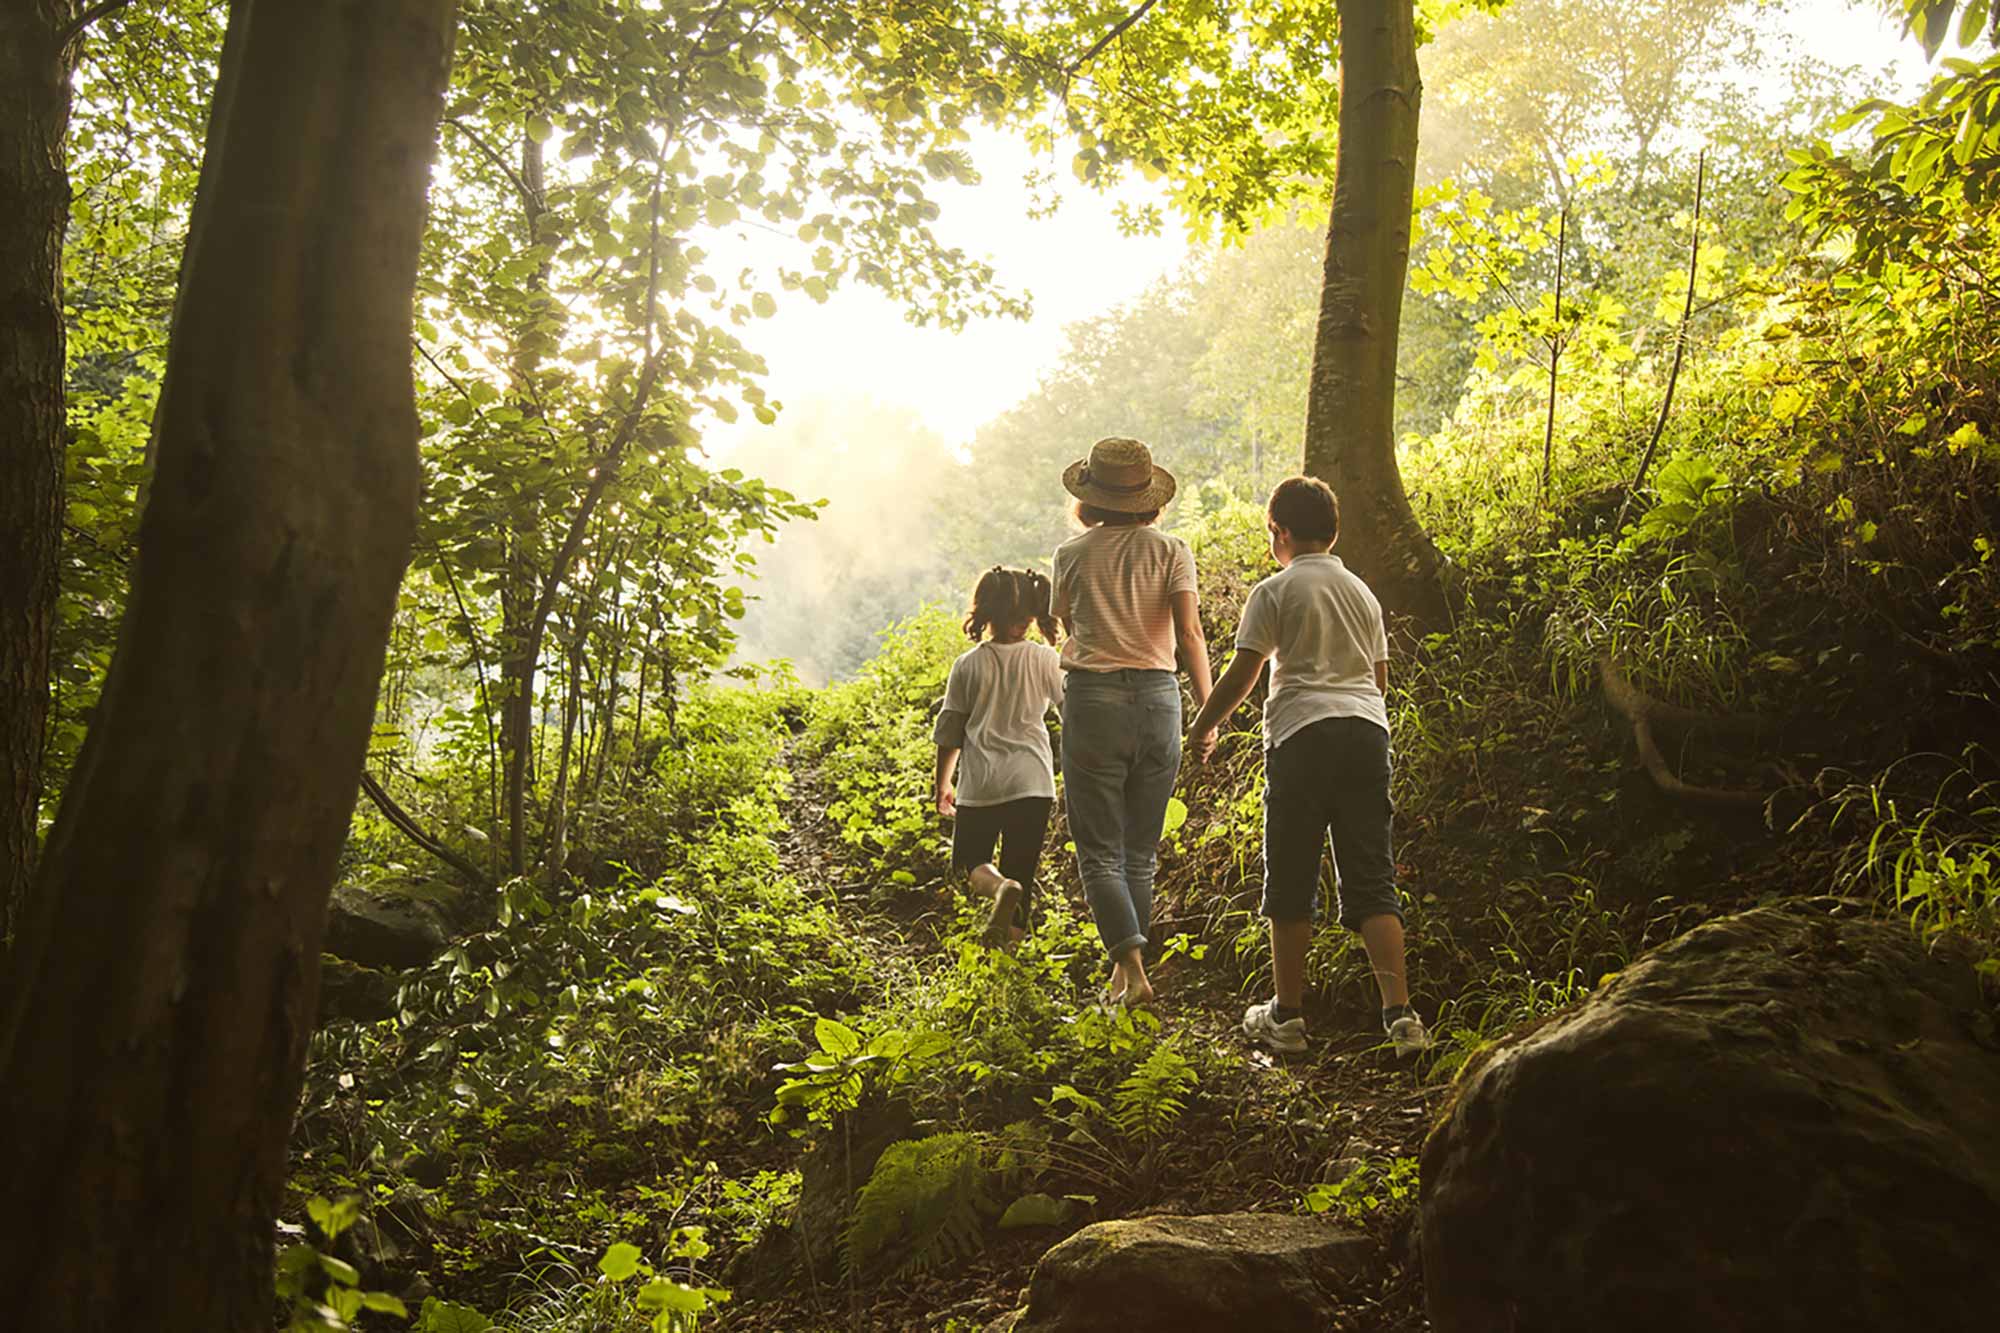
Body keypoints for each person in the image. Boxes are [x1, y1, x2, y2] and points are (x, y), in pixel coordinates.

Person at [1187, 476, 1433, 1056]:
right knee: (1372, 876)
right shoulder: (1363, 595)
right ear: (1335, 530)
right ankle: (1400, 1019)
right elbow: (1378, 681)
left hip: (1302, 736)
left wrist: (1203, 724)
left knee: (1293, 874)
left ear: (1282, 531)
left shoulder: (1274, 591)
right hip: (1367, 733)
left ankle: (1288, 1017)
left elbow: (1245, 672)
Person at [1051, 437, 1212, 1006]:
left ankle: (1133, 972)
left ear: (1089, 499)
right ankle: (1125, 977)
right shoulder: (1173, 550)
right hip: (1159, 700)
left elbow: (1064, 621)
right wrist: (1207, 713)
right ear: (1149, 498)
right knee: (1139, 850)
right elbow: (1190, 635)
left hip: (1094, 702)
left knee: (1099, 852)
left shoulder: (1070, 556)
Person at [933, 567, 1066, 946]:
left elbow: (951, 730)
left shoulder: (968, 665)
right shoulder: (1044, 659)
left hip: (982, 782)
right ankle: (1009, 952)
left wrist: (943, 783)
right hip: (1033, 781)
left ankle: (998, 889)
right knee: (1022, 869)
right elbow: (1070, 712)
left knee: (968, 863)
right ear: (1030, 614)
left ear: (985, 613)